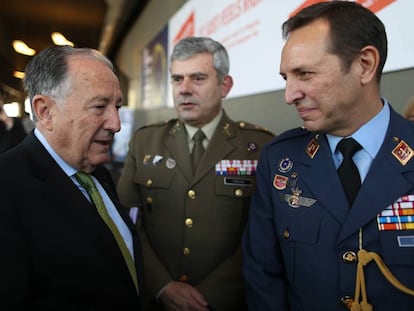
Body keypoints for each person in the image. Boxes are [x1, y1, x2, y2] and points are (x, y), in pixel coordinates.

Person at [242, 2, 414, 310]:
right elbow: (263, 276)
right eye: (286, 78)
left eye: (305, 74)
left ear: (364, 64)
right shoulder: (280, 159)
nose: (289, 95)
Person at [117, 36, 274, 311]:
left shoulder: (259, 147)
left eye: (198, 78)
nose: (184, 90)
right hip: (156, 300)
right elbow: (124, 221)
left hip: (228, 301)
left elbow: (264, 233)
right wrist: (162, 286)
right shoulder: (145, 142)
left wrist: (213, 295)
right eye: (177, 79)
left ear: (225, 85)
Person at [0, 45, 143, 310]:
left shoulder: (96, 169)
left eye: (117, 106)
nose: (116, 123)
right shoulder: (7, 187)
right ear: (45, 111)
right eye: (99, 106)